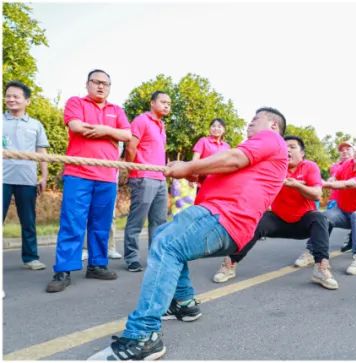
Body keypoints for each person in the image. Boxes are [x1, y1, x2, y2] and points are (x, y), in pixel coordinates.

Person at [90, 107, 288, 360]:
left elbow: (234, 159)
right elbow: (232, 171)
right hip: (226, 221)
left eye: (255, 120)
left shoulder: (271, 139)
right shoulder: (261, 155)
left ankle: (144, 336)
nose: (250, 124)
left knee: (166, 244)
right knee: (164, 235)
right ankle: (184, 304)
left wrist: (189, 166)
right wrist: (198, 172)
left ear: (273, 125)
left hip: (223, 216)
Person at [211, 136, 338, 288]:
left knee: (319, 218)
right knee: (256, 222)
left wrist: (297, 185)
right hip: (278, 220)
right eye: (285, 147)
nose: (288, 150)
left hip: (303, 222)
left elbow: (317, 194)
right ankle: (229, 263)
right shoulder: (275, 167)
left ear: (302, 153)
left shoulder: (309, 167)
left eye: (292, 147)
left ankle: (321, 268)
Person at [49, 70, 132, 293]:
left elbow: (127, 135)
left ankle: (97, 264)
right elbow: (76, 126)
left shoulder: (117, 110)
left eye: (106, 83)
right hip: (79, 174)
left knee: (101, 224)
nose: (101, 86)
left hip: (107, 177)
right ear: (87, 84)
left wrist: (105, 130)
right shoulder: (76, 102)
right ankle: (64, 269)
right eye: (96, 82)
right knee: (72, 221)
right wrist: (111, 133)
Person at [121, 91, 171, 273]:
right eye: (163, 102)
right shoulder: (141, 120)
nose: (166, 105)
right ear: (152, 103)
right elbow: (131, 147)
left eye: (169, 103)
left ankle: (155, 257)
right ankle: (132, 258)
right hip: (143, 177)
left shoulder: (162, 125)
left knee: (159, 221)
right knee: (137, 221)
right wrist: (133, 170)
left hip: (160, 179)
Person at [3, 81, 50, 270]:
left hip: (27, 179)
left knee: (28, 221)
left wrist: (44, 176)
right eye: (8, 96)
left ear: (27, 101)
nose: (11, 99)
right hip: (2, 179)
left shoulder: (35, 125)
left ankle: (31, 258)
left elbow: (42, 152)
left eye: (16, 96)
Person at [324, 142, 356, 263]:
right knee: (324, 217)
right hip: (343, 212)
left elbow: (347, 184)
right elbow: (337, 175)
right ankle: (313, 251)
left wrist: (323, 184)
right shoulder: (349, 163)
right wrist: (331, 179)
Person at [326, 142, 354, 212]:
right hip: (335, 200)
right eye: (342, 150)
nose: (344, 151)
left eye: (348, 149)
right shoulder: (334, 166)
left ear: (354, 151)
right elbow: (332, 180)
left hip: (353, 202)